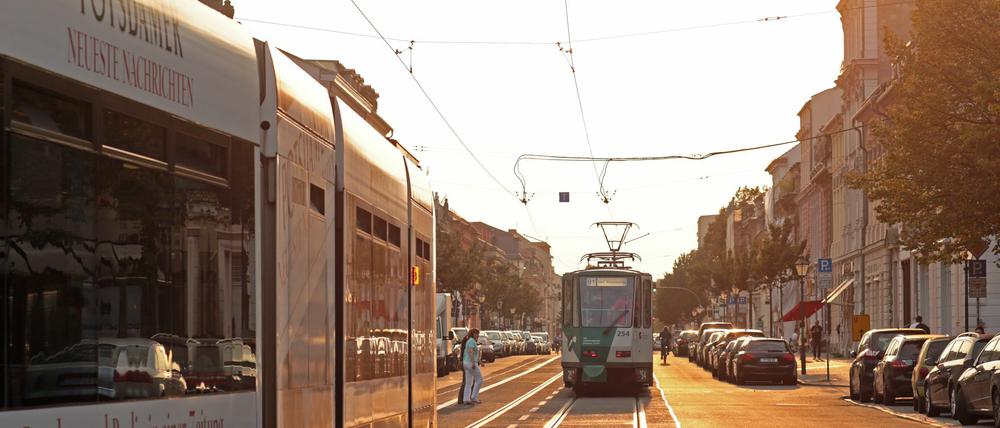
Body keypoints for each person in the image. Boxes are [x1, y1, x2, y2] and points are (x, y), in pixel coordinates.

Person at [459, 329, 483, 405]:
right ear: (474, 334)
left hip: (466, 363)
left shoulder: (469, 340)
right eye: (477, 334)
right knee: (479, 379)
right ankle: (474, 397)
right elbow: (471, 352)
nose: (478, 335)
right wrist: (473, 362)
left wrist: (480, 362)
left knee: (468, 382)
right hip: (470, 363)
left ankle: (466, 399)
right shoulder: (472, 341)